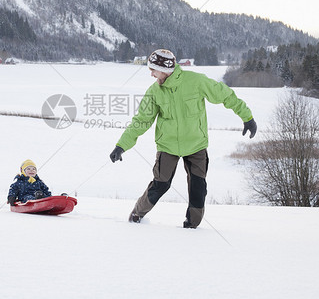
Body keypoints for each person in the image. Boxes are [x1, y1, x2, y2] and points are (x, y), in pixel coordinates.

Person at [109, 49, 257, 228]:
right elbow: (141, 121)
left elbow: (225, 95)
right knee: (160, 184)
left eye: (153, 69)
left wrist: (247, 117)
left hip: (196, 145)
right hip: (168, 146)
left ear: (165, 69)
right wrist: (121, 146)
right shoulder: (154, 91)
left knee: (198, 188)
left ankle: (192, 226)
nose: (151, 74)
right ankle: (136, 215)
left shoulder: (196, 81)